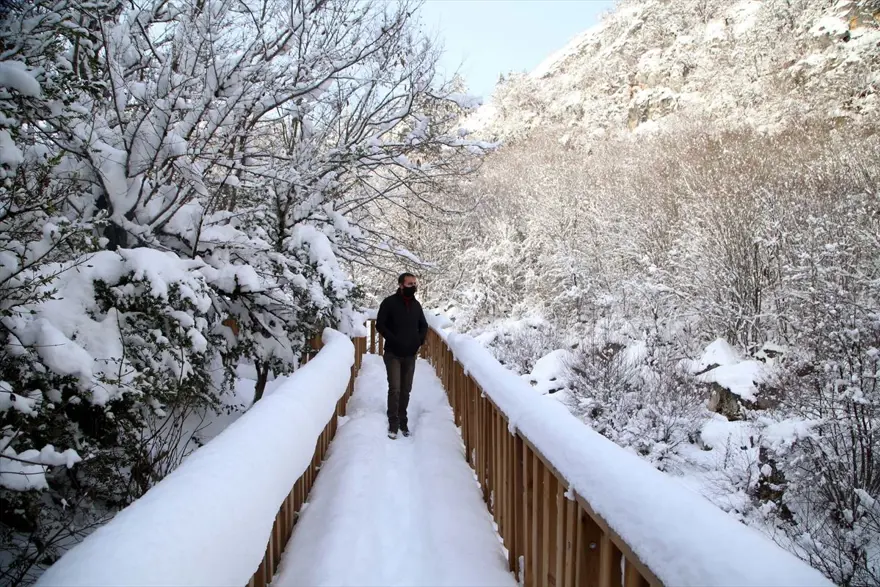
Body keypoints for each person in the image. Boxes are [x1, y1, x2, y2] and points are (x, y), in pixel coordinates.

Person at [376, 272, 428, 439]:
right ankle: (393, 421)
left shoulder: (416, 305)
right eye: (409, 284)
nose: (413, 286)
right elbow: (380, 325)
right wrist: (394, 339)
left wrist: (418, 341)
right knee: (395, 388)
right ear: (401, 285)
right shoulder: (389, 303)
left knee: (406, 389)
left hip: (410, 355)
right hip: (393, 353)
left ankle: (403, 419)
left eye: (414, 284)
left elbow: (424, 325)